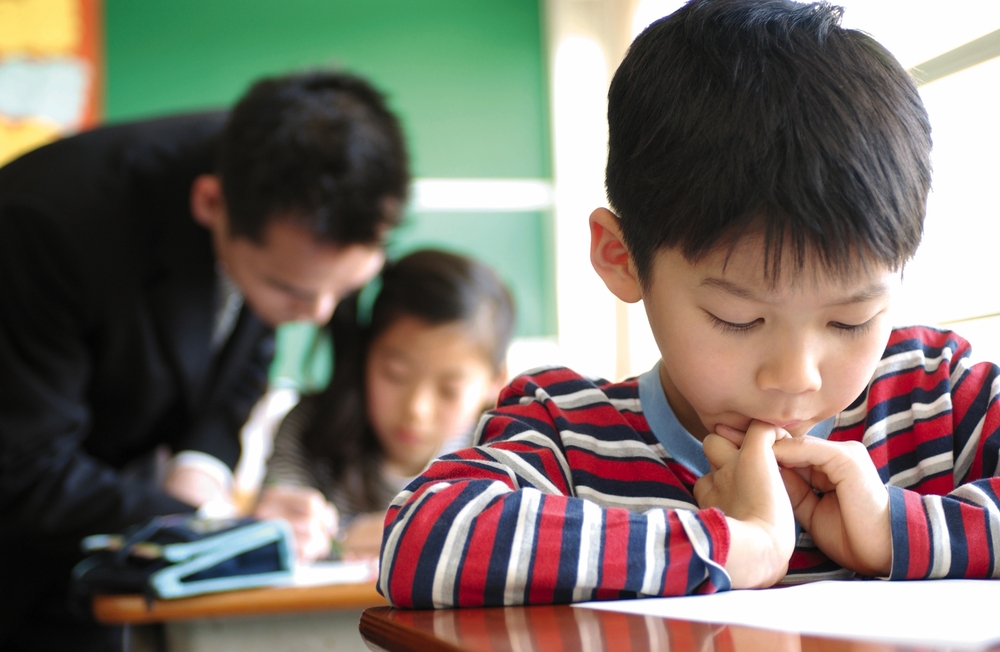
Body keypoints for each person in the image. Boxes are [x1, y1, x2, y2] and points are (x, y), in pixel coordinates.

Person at [378, 0, 1000, 609]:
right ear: (622, 258)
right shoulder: (568, 435)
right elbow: (423, 537)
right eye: (739, 319)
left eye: (851, 320)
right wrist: (738, 545)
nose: (795, 377)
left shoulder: (936, 396)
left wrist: (895, 528)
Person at [0, 71, 408, 649]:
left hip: (112, 526)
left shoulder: (291, 182)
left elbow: (242, 357)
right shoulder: (43, 228)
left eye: (340, 291)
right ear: (210, 203)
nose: (316, 313)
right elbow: (25, 466)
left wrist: (201, 473)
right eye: (291, 291)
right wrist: (211, 528)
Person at [255, 249, 514, 562]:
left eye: (449, 390)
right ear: (365, 354)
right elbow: (277, 526)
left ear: (495, 381)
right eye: (395, 375)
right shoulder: (309, 429)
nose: (417, 409)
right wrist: (320, 538)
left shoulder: (508, 453)